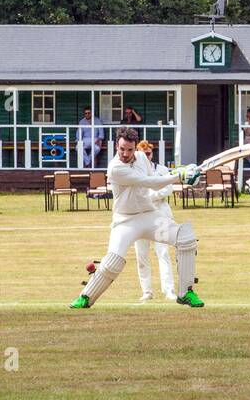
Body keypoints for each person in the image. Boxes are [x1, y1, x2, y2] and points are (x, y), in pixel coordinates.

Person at [70, 128, 203, 310]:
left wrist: (179, 170)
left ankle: (185, 292)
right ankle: (86, 296)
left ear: (135, 148)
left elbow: (153, 176)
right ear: (117, 145)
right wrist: (178, 176)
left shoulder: (141, 158)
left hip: (149, 215)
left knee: (186, 237)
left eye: (130, 150)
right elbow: (149, 183)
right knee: (113, 262)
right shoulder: (115, 168)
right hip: (125, 220)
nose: (125, 154)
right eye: (122, 149)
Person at [134, 140, 177, 302]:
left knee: (163, 253)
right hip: (140, 216)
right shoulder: (134, 172)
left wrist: (151, 196)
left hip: (160, 214)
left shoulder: (161, 169)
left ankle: (169, 290)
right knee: (142, 255)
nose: (146, 157)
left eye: (149, 154)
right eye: (143, 154)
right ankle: (146, 291)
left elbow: (168, 188)